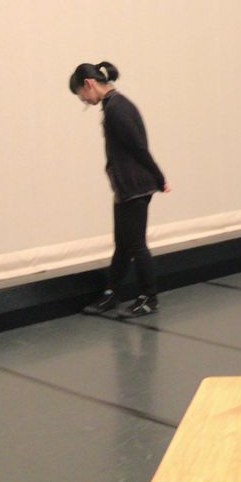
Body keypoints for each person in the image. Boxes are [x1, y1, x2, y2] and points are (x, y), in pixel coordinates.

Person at [70, 61, 170, 318]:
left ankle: (149, 297)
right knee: (123, 244)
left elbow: (139, 147)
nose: (84, 101)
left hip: (135, 186)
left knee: (135, 244)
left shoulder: (117, 108)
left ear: (88, 84)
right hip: (127, 187)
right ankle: (111, 293)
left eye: (82, 95)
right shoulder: (113, 105)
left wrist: (159, 177)